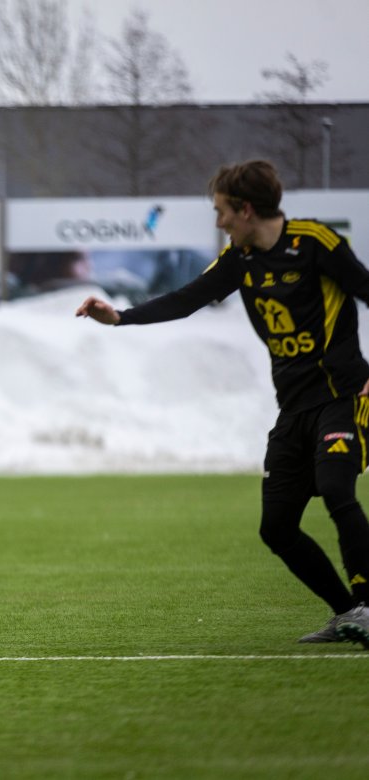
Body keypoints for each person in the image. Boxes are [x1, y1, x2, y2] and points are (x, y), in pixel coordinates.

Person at [76, 159, 369, 649]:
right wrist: (120, 317)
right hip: (294, 408)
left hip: (343, 397)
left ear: (245, 209)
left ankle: (366, 603)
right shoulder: (241, 258)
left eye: (221, 212)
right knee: (276, 528)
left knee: (337, 488)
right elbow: (186, 298)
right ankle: (348, 612)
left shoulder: (316, 242)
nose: (218, 222)